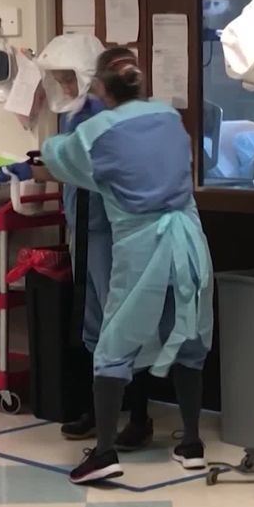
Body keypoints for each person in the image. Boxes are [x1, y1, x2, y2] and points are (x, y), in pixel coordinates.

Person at [36, 47, 214, 484]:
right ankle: (191, 443)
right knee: (190, 333)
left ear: (97, 86)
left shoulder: (96, 132)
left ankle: (104, 453)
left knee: (113, 343)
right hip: (190, 241)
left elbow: (55, 156)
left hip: (142, 248)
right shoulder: (170, 118)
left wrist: (77, 114)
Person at [35, 34, 155, 451]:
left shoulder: (116, 117)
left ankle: (138, 415)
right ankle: (96, 408)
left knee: (121, 321)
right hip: (84, 230)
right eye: (60, 80)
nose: (65, 88)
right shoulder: (74, 118)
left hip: (115, 234)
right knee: (92, 324)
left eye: (70, 78)